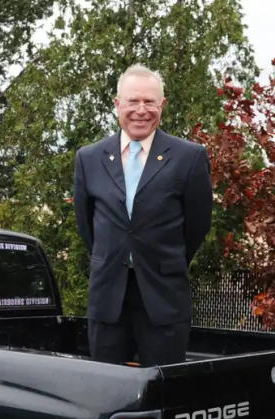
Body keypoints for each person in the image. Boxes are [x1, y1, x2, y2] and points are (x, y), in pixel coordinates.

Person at [73, 64, 212, 366]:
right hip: (107, 301)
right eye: (133, 101)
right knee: (107, 393)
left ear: (162, 105)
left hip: (164, 302)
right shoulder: (89, 158)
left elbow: (198, 226)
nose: (141, 110)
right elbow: (87, 226)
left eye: (149, 102)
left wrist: (164, 261)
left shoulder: (190, 158)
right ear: (117, 104)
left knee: (164, 395)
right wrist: (116, 256)